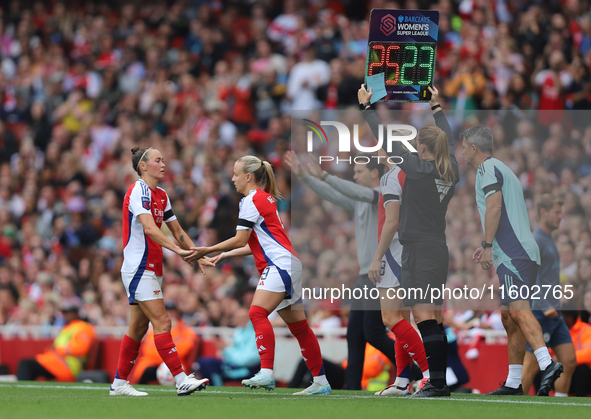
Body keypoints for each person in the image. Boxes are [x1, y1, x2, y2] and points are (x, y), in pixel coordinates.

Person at [186, 155, 331, 395]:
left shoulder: (250, 201)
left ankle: (266, 372)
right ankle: (321, 381)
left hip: (279, 265)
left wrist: (208, 249)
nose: (232, 179)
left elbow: (242, 238)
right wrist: (224, 255)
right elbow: (256, 243)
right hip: (288, 264)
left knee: (256, 312)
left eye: (235, 174)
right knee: (300, 328)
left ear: (248, 176)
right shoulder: (264, 198)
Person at [360, 85, 458, 398]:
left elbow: (387, 140)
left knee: (423, 316)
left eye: (416, 144)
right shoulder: (449, 169)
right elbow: (449, 141)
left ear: (421, 147)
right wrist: (437, 108)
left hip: (420, 250)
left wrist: (367, 109)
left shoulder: (418, 170)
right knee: (432, 317)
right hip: (437, 248)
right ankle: (437, 382)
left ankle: (436, 382)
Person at [460, 125, 563, 396]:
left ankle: (547, 362)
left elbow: (494, 206)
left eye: (463, 146)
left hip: (513, 252)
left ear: (473, 148)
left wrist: (486, 244)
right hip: (517, 252)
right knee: (508, 316)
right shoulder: (503, 168)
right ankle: (514, 382)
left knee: (517, 310)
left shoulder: (486, 169)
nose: (461, 152)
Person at [284, 151, 399, 391]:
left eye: (359, 172)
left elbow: (355, 191)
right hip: (364, 276)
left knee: (374, 333)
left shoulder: (379, 195)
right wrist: (305, 177)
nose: (355, 176)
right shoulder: (360, 199)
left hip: (378, 274)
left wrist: (325, 176)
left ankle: (419, 371)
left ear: (375, 174)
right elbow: (334, 194)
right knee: (355, 335)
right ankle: (352, 389)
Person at [109, 146, 211, 397]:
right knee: (163, 322)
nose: (163, 164)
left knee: (137, 329)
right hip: (139, 267)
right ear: (143, 166)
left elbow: (178, 231)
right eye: (158, 160)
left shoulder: (162, 195)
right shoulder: (138, 190)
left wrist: (197, 254)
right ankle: (181, 379)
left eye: (164, 160)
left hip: (153, 267)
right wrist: (179, 251)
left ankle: (119, 383)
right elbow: (150, 229)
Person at [370, 163, 431, 395]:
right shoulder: (414, 173)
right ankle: (402, 381)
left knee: (390, 318)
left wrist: (377, 258)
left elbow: (391, 221)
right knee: (402, 319)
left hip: (393, 250)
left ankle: (428, 373)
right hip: (409, 248)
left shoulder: (391, 176)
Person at [522, 194, 576, 396]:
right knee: (531, 366)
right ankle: (512, 407)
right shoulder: (537, 240)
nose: (561, 216)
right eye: (557, 212)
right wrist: (545, 305)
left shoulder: (548, 239)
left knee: (569, 360)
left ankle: (559, 405)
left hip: (554, 313)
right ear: (543, 212)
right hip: (541, 313)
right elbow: (531, 278)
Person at [17, 303, 96, 382]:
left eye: (68, 313)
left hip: (67, 367)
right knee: (26, 364)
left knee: (26, 365)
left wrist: (58, 349)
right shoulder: (67, 328)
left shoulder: (84, 327)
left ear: (76, 313)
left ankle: (20, 392)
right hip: (56, 364)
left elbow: (82, 348)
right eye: (64, 313)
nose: (66, 315)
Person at [128, 301, 199, 385]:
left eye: (173, 311)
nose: (171, 314)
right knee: (147, 371)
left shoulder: (186, 330)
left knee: (169, 371)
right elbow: (147, 350)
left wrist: (163, 351)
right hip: (152, 365)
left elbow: (184, 350)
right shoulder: (154, 329)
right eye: (168, 311)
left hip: (175, 365)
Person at [196, 307, 260, 386]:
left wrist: (227, 349)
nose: (241, 320)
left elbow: (246, 360)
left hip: (248, 370)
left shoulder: (255, 334)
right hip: (234, 366)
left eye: (244, 317)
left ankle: (218, 389)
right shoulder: (239, 331)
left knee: (209, 365)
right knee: (203, 362)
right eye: (238, 318)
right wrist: (226, 349)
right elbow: (230, 357)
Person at [561, 308, 591, 396]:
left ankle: (579, 399)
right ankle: (541, 400)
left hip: (582, 376)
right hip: (562, 371)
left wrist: (563, 359)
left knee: (582, 369)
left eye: (560, 316)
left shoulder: (586, 330)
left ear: (569, 318)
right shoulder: (557, 330)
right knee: (540, 368)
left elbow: (588, 355)